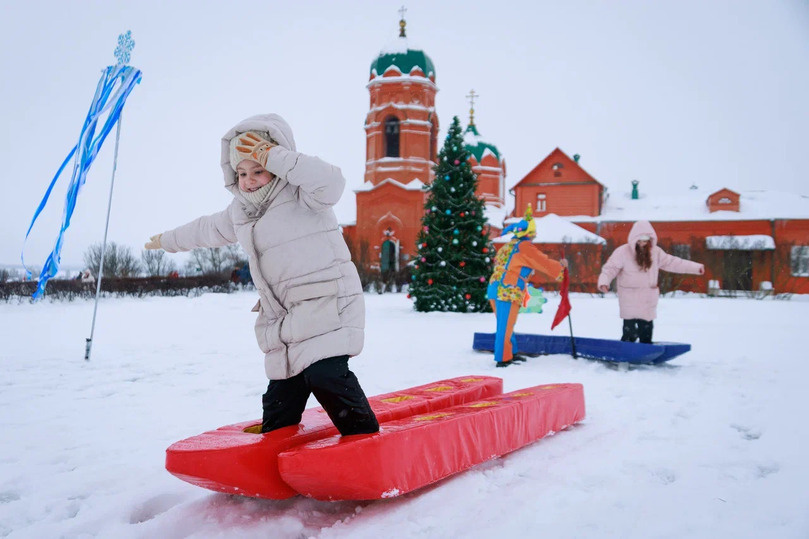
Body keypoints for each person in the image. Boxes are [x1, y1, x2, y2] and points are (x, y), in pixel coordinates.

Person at [144, 113, 379, 436]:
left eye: (258, 170)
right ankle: (275, 441)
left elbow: (332, 181)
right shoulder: (240, 212)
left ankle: (363, 438)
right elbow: (205, 229)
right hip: (284, 317)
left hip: (327, 307)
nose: (249, 180)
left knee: (326, 375)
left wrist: (274, 155)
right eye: (241, 173)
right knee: (282, 393)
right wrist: (166, 240)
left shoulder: (304, 195)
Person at [597, 220, 704, 344]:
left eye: (645, 240)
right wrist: (604, 281)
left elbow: (673, 263)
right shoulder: (622, 252)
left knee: (646, 330)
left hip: (647, 298)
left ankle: (646, 349)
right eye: (639, 240)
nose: (642, 243)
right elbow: (610, 268)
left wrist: (696, 268)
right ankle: (626, 347)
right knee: (629, 331)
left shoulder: (656, 253)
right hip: (629, 297)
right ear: (633, 238)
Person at [487, 206, 567, 367]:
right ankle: (503, 359)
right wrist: (561, 268)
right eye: (533, 233)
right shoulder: (524, 246)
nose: (534, 236)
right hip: (507, 289)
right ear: (528, 233)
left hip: (495, 288)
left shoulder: (508, 246)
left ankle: (510, 352)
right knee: (505, 325)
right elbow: (542, 261)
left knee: (506, 324)